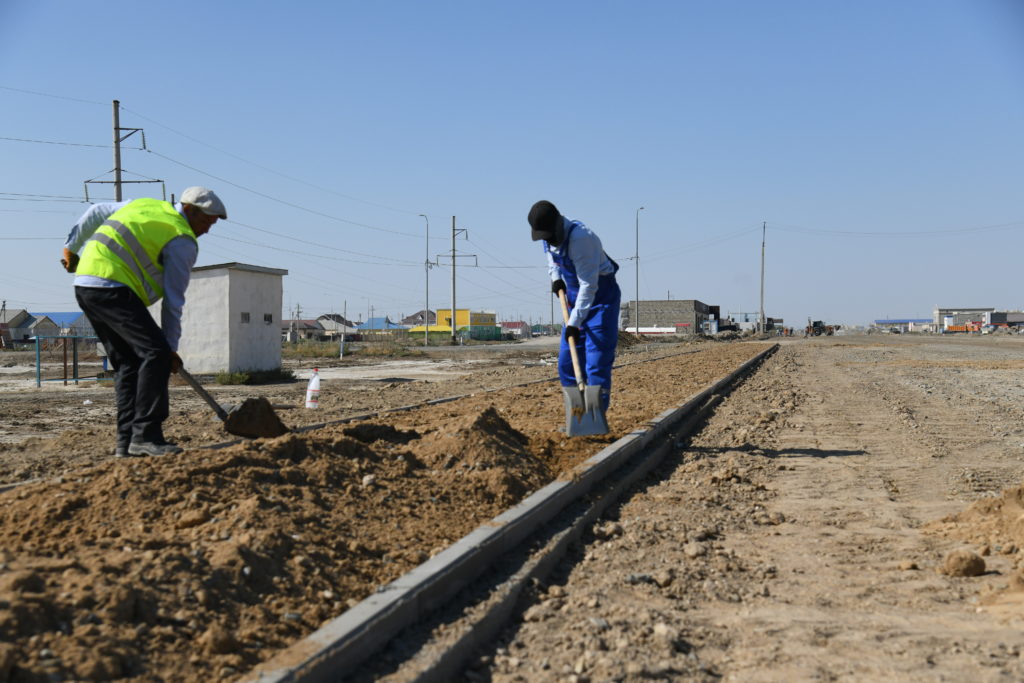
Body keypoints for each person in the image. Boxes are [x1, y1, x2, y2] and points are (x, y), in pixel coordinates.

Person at [61, 187, 227, 457]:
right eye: (207, 221)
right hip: (113, 288)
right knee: (155, 353)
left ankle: (125, 444)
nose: (208, 230)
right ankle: (147, 436)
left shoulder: (145, 206)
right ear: (190, 210)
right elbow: (174, 303)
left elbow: (95, 211)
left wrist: (71, 247)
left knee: (129, 364)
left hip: (86, 285)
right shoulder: (182, 241)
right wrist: (169, 349)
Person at [528, 200, 621, 414]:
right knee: (566, 364)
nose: (548, 241)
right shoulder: (548, 236)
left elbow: (589, 286)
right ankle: (578, 417)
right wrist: (556, 279)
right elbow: (552, 260)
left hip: (600, 301)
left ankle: (594, 417)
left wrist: (573, 323)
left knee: (596, 364)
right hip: (572, 299)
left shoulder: (581, 240)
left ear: (558, 226)